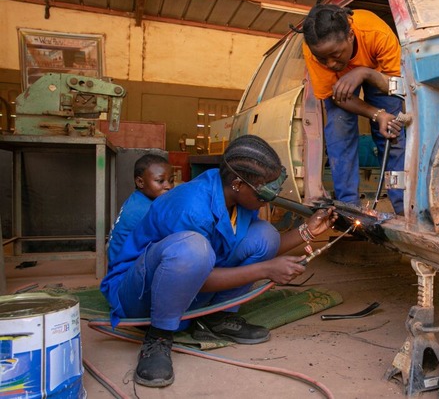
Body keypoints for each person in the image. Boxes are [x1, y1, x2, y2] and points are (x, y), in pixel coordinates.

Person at [100, 134, 337, 388]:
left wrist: (307, 231)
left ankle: (214, 319)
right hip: (140, 291)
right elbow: (191, 272)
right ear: (237, 183)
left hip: (188, 279)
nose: (273, 194)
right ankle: (158, 336)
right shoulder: (191, 207)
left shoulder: (238, 198)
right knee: (192, 249)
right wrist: (266, 270)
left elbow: (234, 249)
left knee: (265, 235)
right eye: (266, 188)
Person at [301, 3, 406, 215]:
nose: (330, 63)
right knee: (339, 132)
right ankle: (349, 210)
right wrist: (377, 114)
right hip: (340, 90)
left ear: (350, 35)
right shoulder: (313, 48)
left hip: (380, 76)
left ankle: (403, 207)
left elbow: (398, 85)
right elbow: (336, 98)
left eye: (336, 54)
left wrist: (364, 73)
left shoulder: (377, 34)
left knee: (392, 138)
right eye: (323, 58)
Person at [106, 154, 175, 264]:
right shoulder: (145, 210)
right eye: (160, 181)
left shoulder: (137, 199)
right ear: (140, 182)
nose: (168, 186)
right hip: (124, 272)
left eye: (171, 180)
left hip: (118, 264)